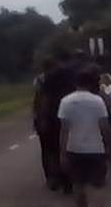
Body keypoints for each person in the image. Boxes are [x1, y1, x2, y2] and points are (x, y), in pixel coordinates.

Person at [57, 67, 111, 207]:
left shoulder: (66, 101)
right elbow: (104, 126)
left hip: (75, 148)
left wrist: (62, 152)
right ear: (90, 83)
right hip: (96, 148)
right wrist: (109, 145)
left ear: (76, 82)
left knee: (78, 185)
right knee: (98, 185)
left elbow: (64, 130)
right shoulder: (98, 101)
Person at [32, 51, 79, 193]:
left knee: (51, 149)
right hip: (69, 115)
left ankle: (54, 178)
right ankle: (68, 179)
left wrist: (40, 118)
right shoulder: (72, 75)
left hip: (52, 117)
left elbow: (42, 99)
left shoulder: (45, 78)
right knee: (68, 147)